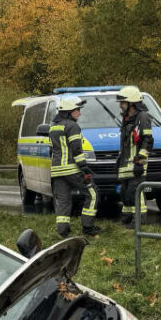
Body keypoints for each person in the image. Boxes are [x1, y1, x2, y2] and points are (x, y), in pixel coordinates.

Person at [49, 97, 100, 238]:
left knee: (63, 201)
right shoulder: (72, 126)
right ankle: (88, 227)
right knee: (93, 193)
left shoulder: (53, 127)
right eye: (77, 110)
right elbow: (76, 150)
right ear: (69, 111)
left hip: (57, 170)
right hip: (72, 169)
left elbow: (52, 149)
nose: (79, 113)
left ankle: (62, 231)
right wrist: (85, 168)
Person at [115, 85, 153, 227]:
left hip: (136, 164)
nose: (120, 105)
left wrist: (140, 160)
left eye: (123, 102)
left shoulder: (143, 117)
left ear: (131, 103)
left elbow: (148, 140)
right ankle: (128, 217)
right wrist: (120, 159)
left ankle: (140, 219)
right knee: (125, 193)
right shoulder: (127, 119)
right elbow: (126, 143)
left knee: (135, 192)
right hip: (126, 164)